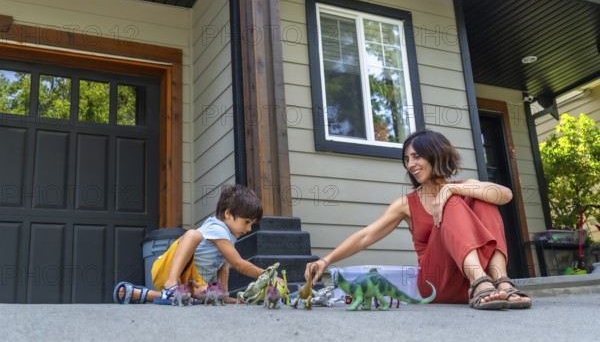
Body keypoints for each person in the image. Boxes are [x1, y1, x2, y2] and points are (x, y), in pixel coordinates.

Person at [305, 129, 531, 310]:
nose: (410, 164)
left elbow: (506, 195)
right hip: (439, 281)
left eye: (416, 156)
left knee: (483, 197)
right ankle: (480, 281)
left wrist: (450, 189)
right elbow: (366, 236)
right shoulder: (406, 204)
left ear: (436, 154)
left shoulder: (463, 186)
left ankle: (501, 280)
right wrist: (326, 260)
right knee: (449, 200)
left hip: (479, 283)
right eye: (406, 159)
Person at [114, 184, 275, 304]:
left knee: (207, 295)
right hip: (168, 270)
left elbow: (224, 267)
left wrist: (225, 296)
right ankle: (171, 284)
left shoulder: (229, 238)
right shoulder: (218, 228)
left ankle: (140, 294)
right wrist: (269, 276)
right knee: (193, 235)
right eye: (246, 222)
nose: (248, 228)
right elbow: (238, 263)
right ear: (228, 214)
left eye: (251, 224)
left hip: (189, 280)